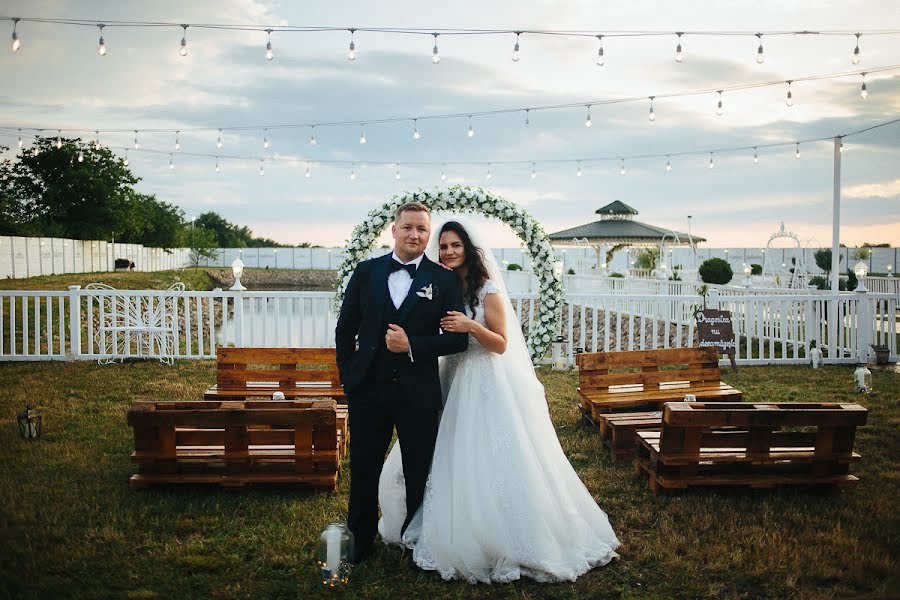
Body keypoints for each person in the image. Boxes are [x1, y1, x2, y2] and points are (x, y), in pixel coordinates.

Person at [378, 218, 620, 583]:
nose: (448, 252)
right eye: (443, 246)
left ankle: (509, 534)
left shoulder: (486, 287)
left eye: (455, 245)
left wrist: (471, 326)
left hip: (484, 378)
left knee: (490, 453)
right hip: (452, 375)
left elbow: (501, 343)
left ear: (469, 249)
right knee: (450, 451)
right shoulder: (443, 285)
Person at [335, 202, 469, 564]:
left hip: (418, 392)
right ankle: (359, 541)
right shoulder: (366, 272)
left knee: (418, 471)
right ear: (393, 230)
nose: (415, 235)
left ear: (429, 235)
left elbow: (457, 339)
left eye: (422, 230)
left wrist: (413, 346)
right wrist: (350, 376)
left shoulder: (443, 280)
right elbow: (345, 329)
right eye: (408, 227)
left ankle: (417, 543)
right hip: (369, 390)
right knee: (363, 468)